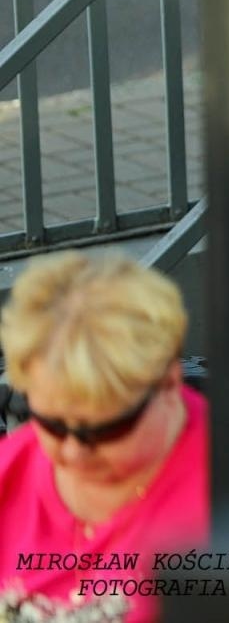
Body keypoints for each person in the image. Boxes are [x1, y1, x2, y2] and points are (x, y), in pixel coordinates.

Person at [0, 250, 209, 623]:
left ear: (168, 381)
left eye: (106, 429)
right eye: (52, 423)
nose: (74, 453)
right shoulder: (9, 472)